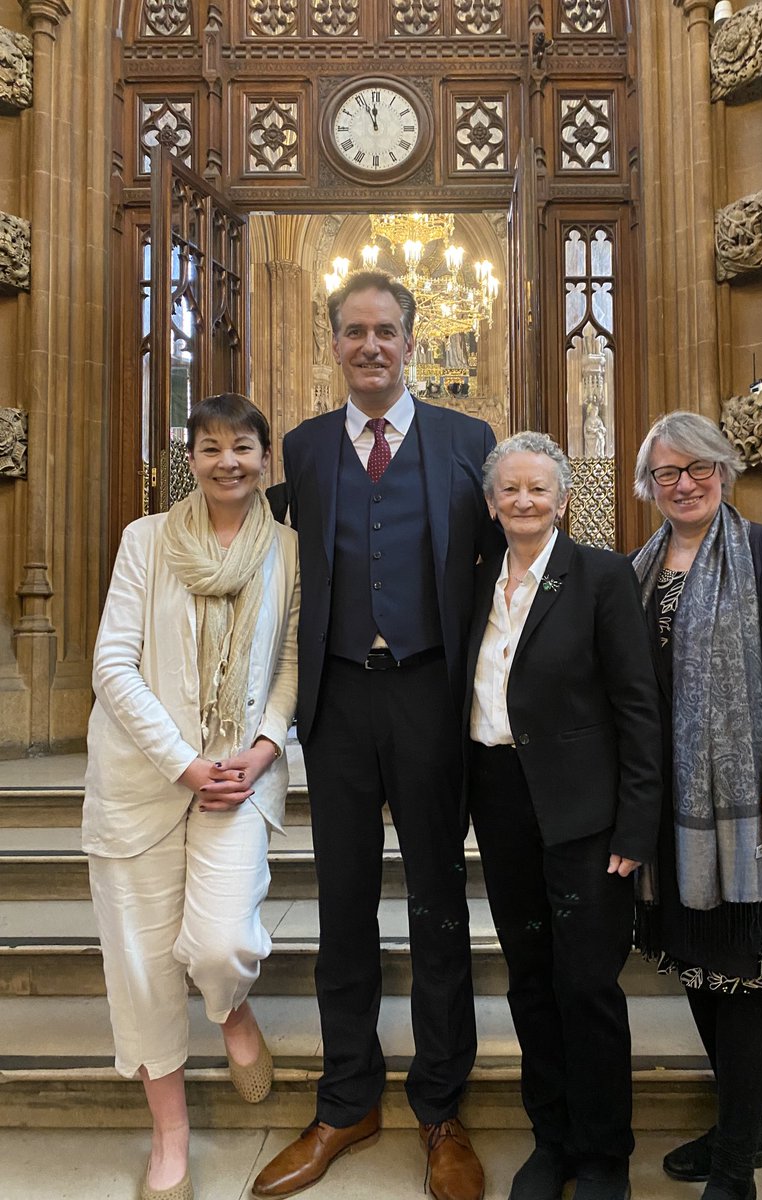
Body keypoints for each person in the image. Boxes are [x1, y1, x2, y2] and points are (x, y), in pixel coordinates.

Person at [252, 270, 500, 1200]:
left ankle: (442, 1108)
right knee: (344, 913)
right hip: (341, 705)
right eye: (353, 331)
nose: (370, 346)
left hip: (433, 698)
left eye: (385, 330)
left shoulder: (467, 440)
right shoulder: (307, 449)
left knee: (439, 907)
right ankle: (347, 1099)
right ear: (334, 342)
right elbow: (273, 561)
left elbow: (499, 565)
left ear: (412, 337)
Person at [82, 394, 300, 1200]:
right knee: (141, 963)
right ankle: (170, 1132)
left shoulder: (289, 550)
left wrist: (264, 747)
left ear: (265, 459)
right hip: (144, 778)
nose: (227, 463)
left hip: (238, 777)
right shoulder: (146, 541)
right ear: (191, 458)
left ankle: (229, 1007)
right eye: (210, 449)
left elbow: (291, 664)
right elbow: (113, 665)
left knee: (217, 945)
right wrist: (181, 761)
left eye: (242, 448)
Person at [466, 432, 663, 1200]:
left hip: (585, 812)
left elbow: (637, 708)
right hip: (499, 797)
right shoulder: (474, 578)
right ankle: (551, 1143)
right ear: (490, 502)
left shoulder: (602, 576)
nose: (523, 501)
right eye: (509, 490)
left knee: (586, 984)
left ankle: (605, 1153)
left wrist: (635, 825)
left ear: (563, 499)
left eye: (538, 489)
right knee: (529, 980)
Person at [631, 411, 762, 1200]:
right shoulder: (638, 565)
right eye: (668, 472)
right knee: (702, 971)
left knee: (744, 977)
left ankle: (736, 1169)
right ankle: (750, 1122)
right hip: (675, 814)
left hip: (748, 810)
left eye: (699, 466)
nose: (685, 483)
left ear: (725, 470)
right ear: (648, 486)